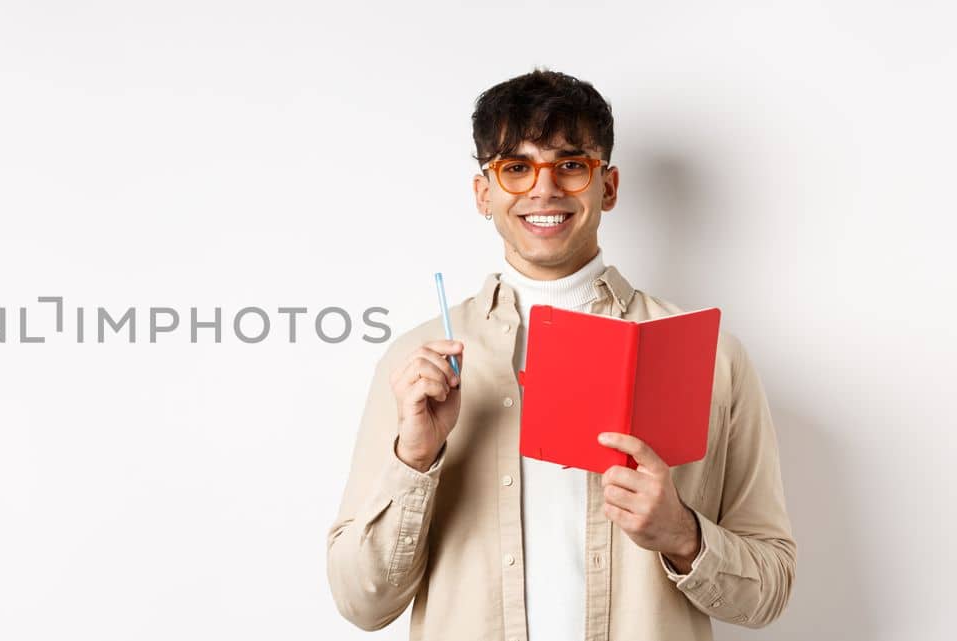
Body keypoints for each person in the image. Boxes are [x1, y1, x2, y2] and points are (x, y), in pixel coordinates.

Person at [325, 69, 796, 641]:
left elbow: (771, 590)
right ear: (484, 193)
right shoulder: (420, 363)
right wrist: (415, 457)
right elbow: (361, 603)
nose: (542, 189)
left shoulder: (710, 356)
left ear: (609, 185)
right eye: (515, 168)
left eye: (571, 165)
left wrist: (682, 534)